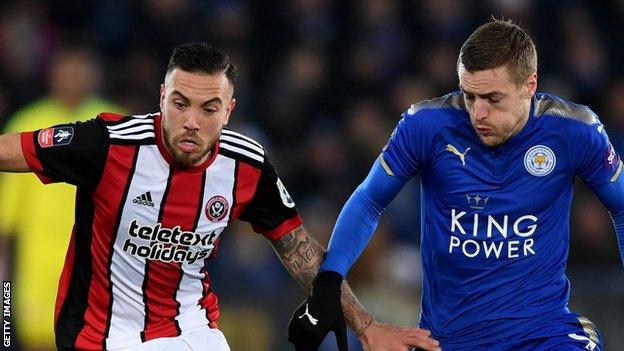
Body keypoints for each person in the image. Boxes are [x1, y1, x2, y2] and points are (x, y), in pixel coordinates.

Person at [0, 43, 439, 351]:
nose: (191, 121)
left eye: (208, 109)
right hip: (100, 335)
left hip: (192, 328)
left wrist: (365, 327)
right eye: (179, 103)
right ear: (162, 98)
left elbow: (299, 249)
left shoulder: (245, 165)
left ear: (228, 112)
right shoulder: (109, 144)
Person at [288, 19, 624, 351]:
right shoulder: (426, 126)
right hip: (447, 341)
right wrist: (331, 279)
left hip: (543, 334)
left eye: (493, 98)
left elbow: (621, 206)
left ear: (529, 85)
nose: (478, 113)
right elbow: (370, 199)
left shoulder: (573, 130)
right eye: (469, 95)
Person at [0, 46, 125, 351]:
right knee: (37, 340)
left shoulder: (115, 125)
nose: (73, 77)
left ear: (94, 74)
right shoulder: (27, 123)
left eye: (81, 69)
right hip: (39, 264)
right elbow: (8, 214)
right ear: (51, 73)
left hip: (99, 265)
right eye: (67, 69)